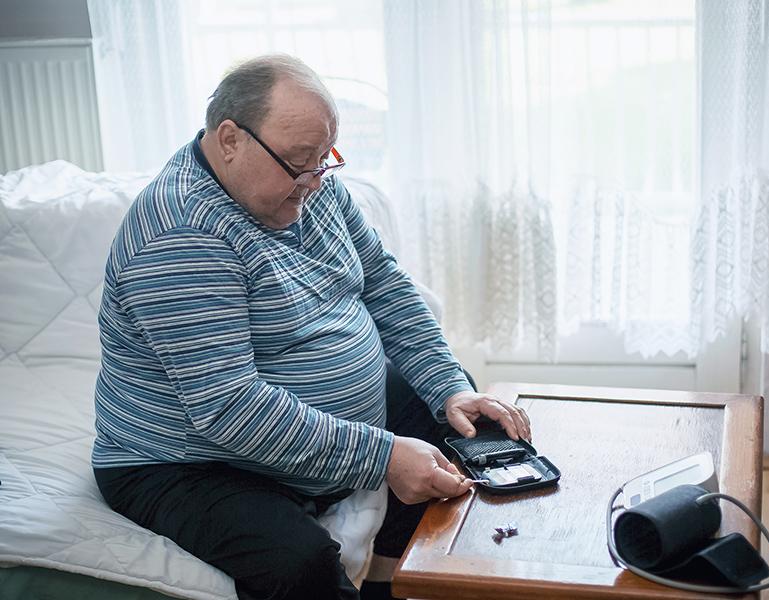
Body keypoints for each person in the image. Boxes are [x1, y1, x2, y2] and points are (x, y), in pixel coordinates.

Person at [90, 54, 531, 600]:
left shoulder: (309, 187)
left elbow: (386, 287)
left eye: (325, 159)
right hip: (185, 459)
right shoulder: (182, 234)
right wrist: (383, 455)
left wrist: (449, 386)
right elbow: (228, 409)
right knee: (301, 561)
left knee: (458, 415)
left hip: (287, 423)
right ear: (230, 140)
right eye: (301, 162)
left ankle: (391, 579)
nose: (315, 179)